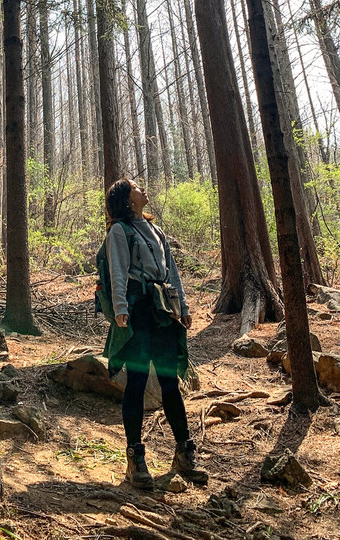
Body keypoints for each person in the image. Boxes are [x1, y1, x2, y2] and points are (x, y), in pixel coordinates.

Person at [103, 177, 208, 489]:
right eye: (136, 187)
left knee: (169, 383)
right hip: (138, 314)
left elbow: (171, 272)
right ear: (126, 199)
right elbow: (118, 270)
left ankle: (184, 452)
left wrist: (184, 308)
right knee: (136, 384)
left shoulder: (156, 230)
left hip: (164, 314)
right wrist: (121, 309)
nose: (142, 189)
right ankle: (135, 459)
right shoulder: (119, 232)